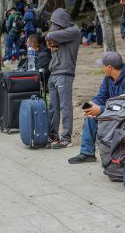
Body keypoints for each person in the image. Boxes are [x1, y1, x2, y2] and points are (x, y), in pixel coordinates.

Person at [68, 52, 125, 163]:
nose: (102, 68)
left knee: (97, 113)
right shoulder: (108, 78)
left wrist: (101, 110)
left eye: (103, 65)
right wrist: (92, 105)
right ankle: (87, 153)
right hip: (116, 113)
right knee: (91, 116)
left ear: (109, 67)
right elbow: (101, 96)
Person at [45, 8, 81, 149]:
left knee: (65, 106)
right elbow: (50, 37)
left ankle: (66, 138)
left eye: (57, 24)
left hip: (65, 73)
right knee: (53, 107)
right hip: (54, 72)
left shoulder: (74, 31)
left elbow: (50, 35)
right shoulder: (63, 33)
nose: (55, 27)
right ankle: (54, 136)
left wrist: (51, 38)